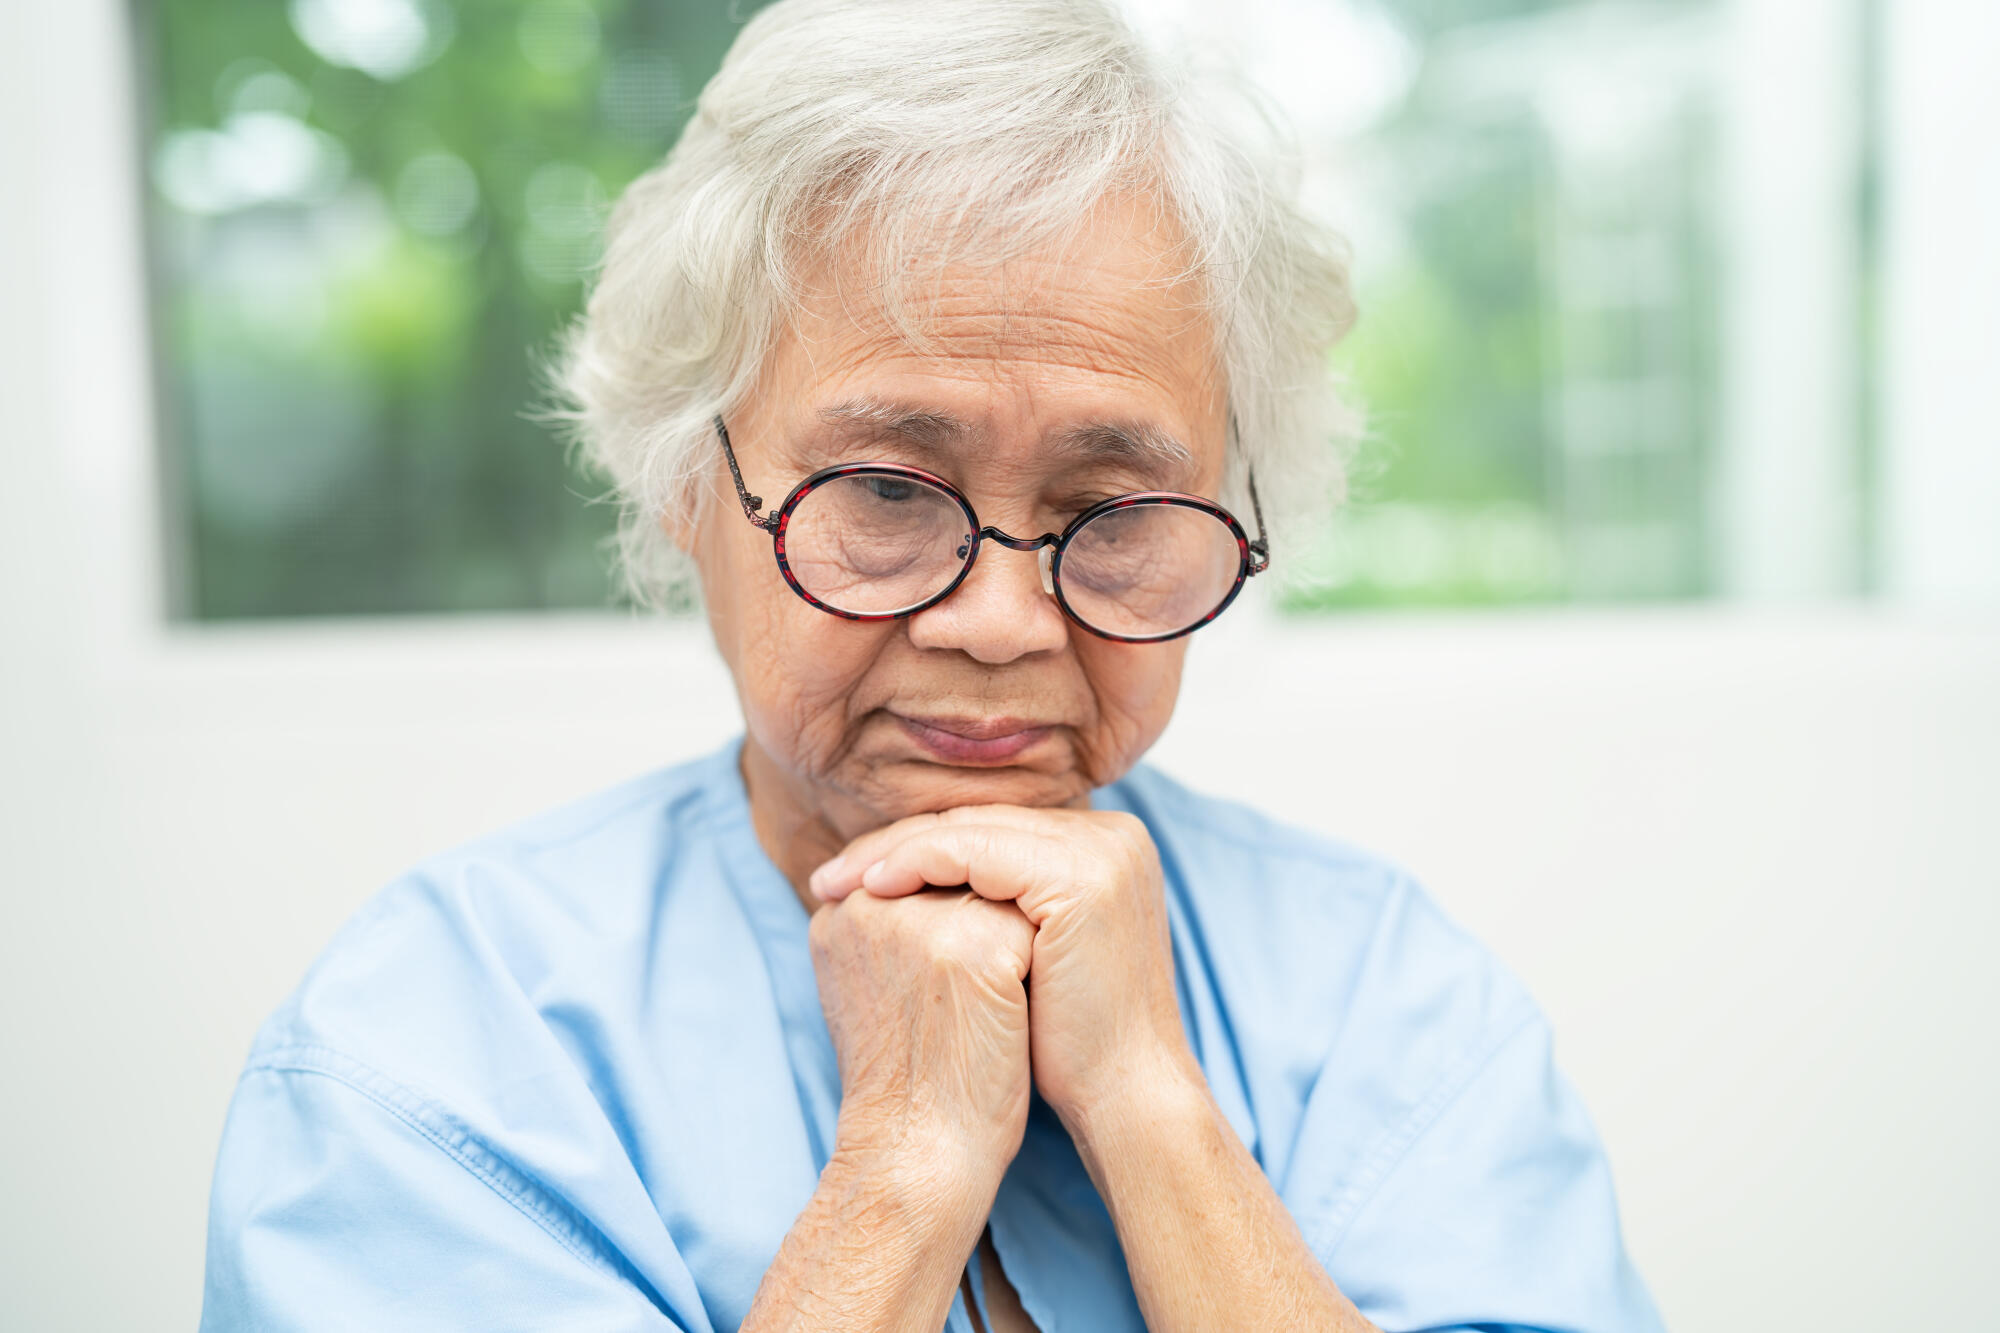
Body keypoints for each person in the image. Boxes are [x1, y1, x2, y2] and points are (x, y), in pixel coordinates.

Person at [200, 1, 1665, 1329]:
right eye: (891, 492)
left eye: (1110, 513)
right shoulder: (434, 1050)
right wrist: (901, 1174)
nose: (1004, 622)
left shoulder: (1381, 998)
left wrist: (1160, 1119)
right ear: (683, 483)